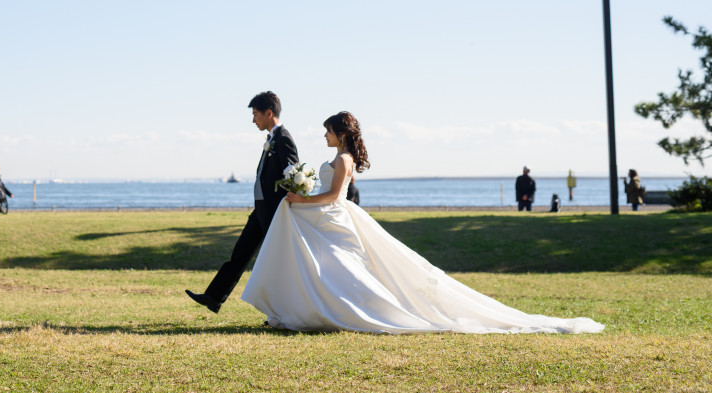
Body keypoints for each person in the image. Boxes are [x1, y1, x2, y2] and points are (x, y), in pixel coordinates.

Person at [240, 112, 604, 334]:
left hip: (336, 217)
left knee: (340, 268)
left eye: (327, 131)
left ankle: (337, 309)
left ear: (340, 133)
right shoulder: (338, 155)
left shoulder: (346, 159)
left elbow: (335, 197)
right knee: (320, 259)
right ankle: (300, 306)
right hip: (328, 217)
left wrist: (302, 198)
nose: (324, 136)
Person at [185, 91, 298, 314]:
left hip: (275, 212)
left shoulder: (283, 138)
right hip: (261, 210)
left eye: (255, 114)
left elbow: (293, 172)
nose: (253, 119)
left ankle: (283, 312)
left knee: (277, 263)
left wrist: (286, 202)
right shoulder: (272, 138)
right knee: (240, 253)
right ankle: (214, 296)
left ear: (268, 113)